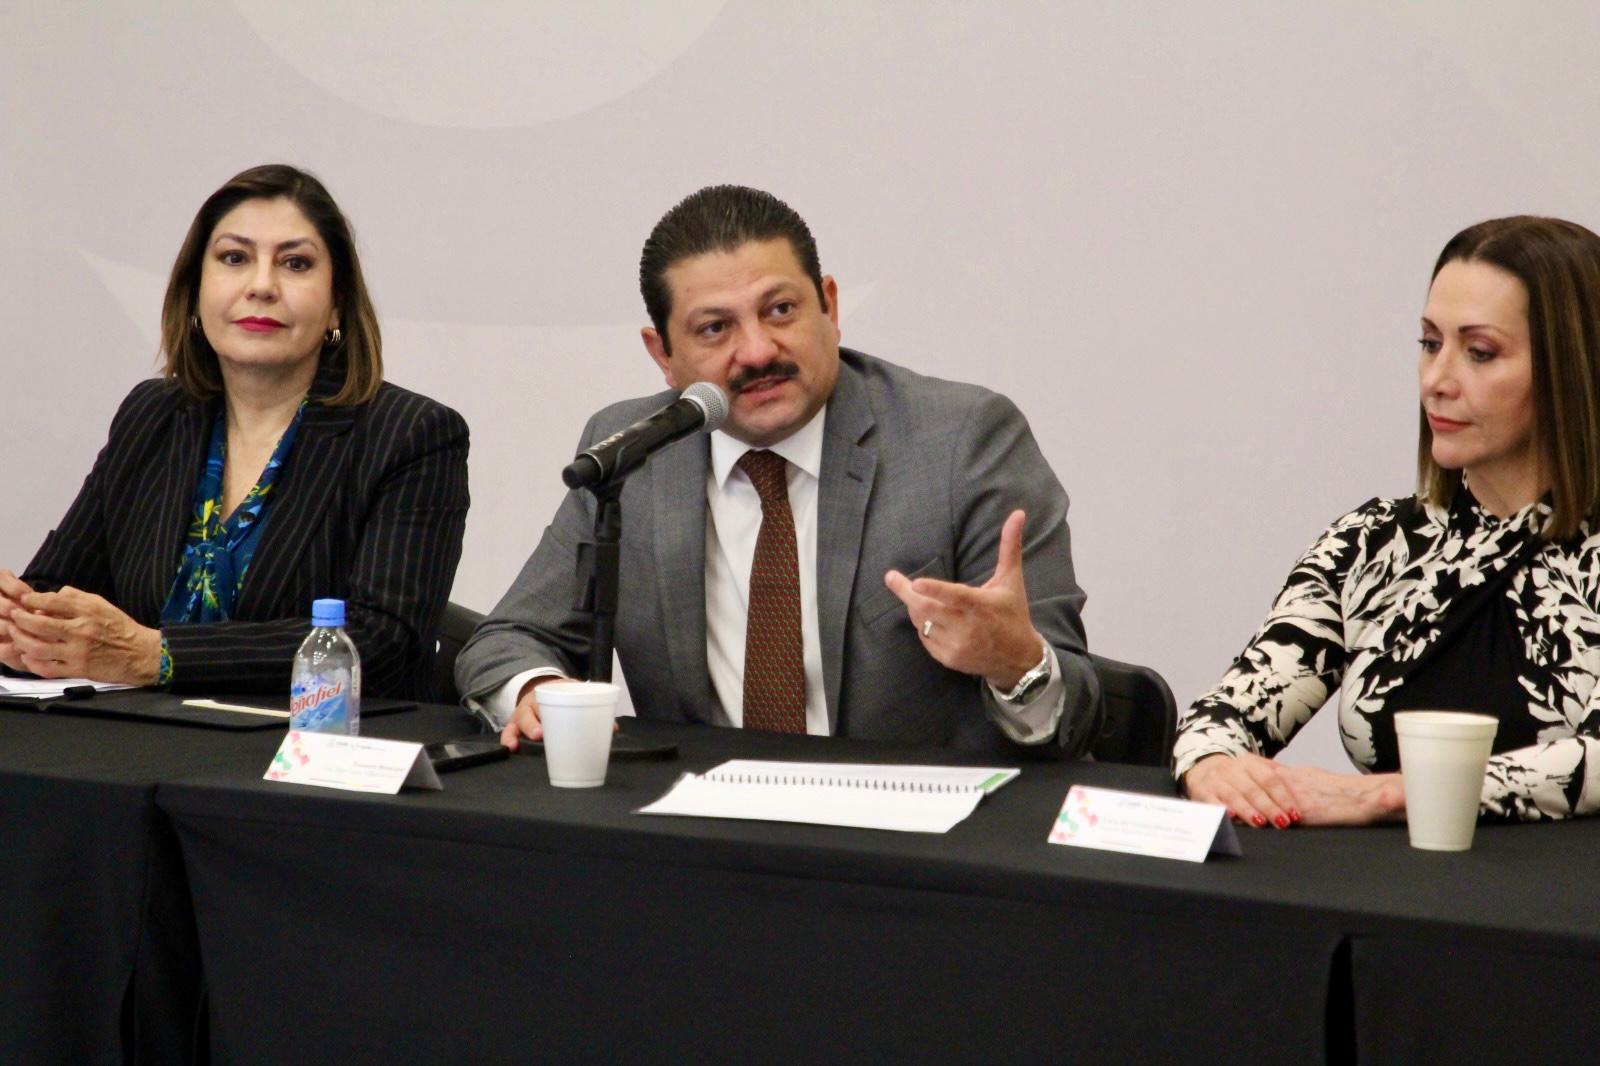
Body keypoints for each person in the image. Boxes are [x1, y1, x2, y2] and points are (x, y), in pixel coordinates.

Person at [457, 184, 1100, 755]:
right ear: (663, 355)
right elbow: (507, 640)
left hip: (913, 830)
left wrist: (1017, 664)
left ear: (829, 306)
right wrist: (535, 689)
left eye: (781, 310)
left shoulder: (960, 441)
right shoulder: (634, 454)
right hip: (704, 828)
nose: (759, 350)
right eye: (716, 328)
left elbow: (1076, 710)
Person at [1177, 215, 1600, 825]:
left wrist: (1386, 794)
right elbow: (1229, 711)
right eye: (1430, 344)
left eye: (1479, 353)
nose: (1436, 381)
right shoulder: (1374, 542)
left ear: (1571, 371)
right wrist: (1213, 765)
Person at [0, 164, 469, 699]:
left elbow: (382, 644)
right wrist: (21, 619)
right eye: (235, 258)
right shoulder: (152, 415)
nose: (262, 286)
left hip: (305, 741)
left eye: (295, 263)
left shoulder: (412, 435)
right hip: (135, 735)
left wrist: (156, 655)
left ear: (336, 304)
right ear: (195, 290)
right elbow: (59, 587)